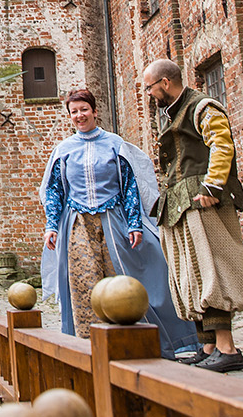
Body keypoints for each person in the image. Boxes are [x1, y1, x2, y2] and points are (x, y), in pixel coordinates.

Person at [38, 89, 198, 358]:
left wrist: (135, 223)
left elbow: (130, 186)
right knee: (84, 282)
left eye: (84, 110)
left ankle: (138, 341)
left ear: (94, 111)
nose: (80, 116)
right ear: (69, 116)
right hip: (77, 224)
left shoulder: (114, 144)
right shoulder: (63, 150)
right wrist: (52, 226)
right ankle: (91, 347)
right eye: (74, 111)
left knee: (126, 280)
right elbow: (55, 191)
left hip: (114, 220)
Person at [142, 58, 243, 373]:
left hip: (201, 200)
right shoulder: (173, 112)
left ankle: (227, 348)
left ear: (164, 82)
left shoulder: (202, 106)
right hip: (179, 202)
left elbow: (222, 144)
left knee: (212, 268)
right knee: (191, 274)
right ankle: (209, 346)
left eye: (150, 87)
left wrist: (213, 187)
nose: (150, 94)